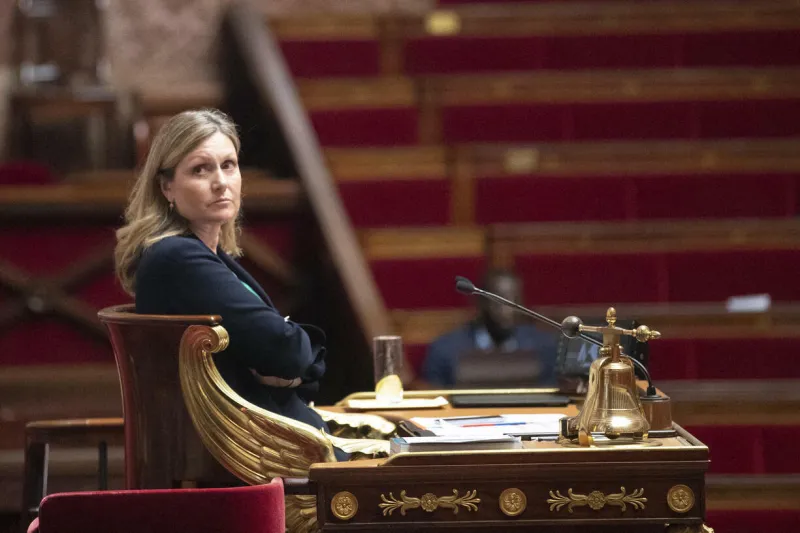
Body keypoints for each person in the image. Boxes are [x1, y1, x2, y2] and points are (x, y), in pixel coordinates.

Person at [113, 109, 345, 457]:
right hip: (246, 462)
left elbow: (285, 356)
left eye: (229, 165)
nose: (221, 181)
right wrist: (286, 359)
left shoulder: (205, 254)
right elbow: (285, 351)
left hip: (268, 447)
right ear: (166, 187)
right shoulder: (178, 258)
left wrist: (286, 363)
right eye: (200, 169)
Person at [421, 269, 559, 388]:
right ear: (481, 303)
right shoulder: (445, 349)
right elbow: (434, 397)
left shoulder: (544, 347)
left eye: (514, 300)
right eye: (500, 301)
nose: (507, 310)